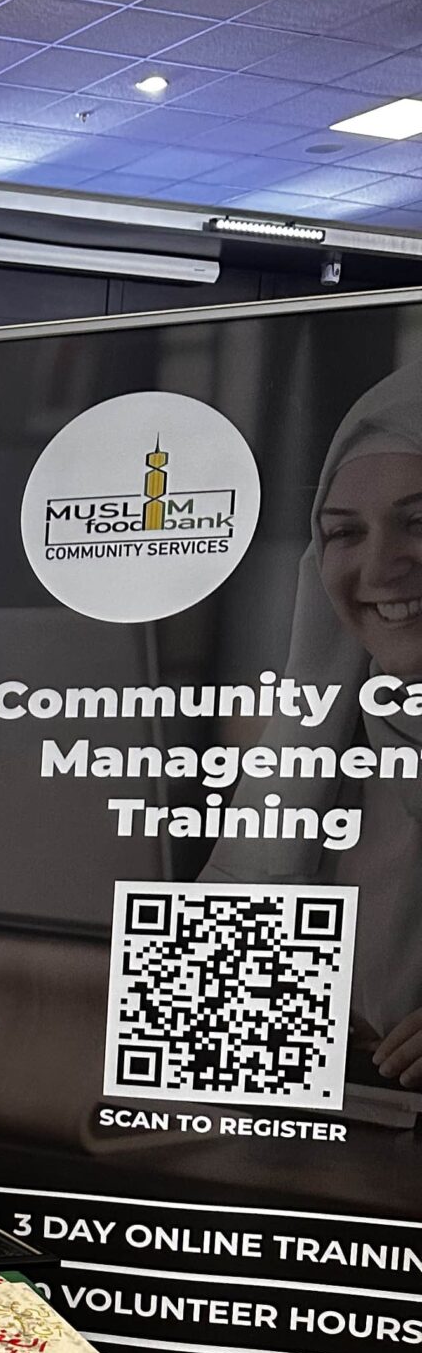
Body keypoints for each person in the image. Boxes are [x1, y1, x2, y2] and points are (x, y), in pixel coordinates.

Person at [203, 359, 422, 1092]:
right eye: (344, 532)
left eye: (419, 520)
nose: (381, 567)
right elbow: (203, 1036)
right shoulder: (323, 751)